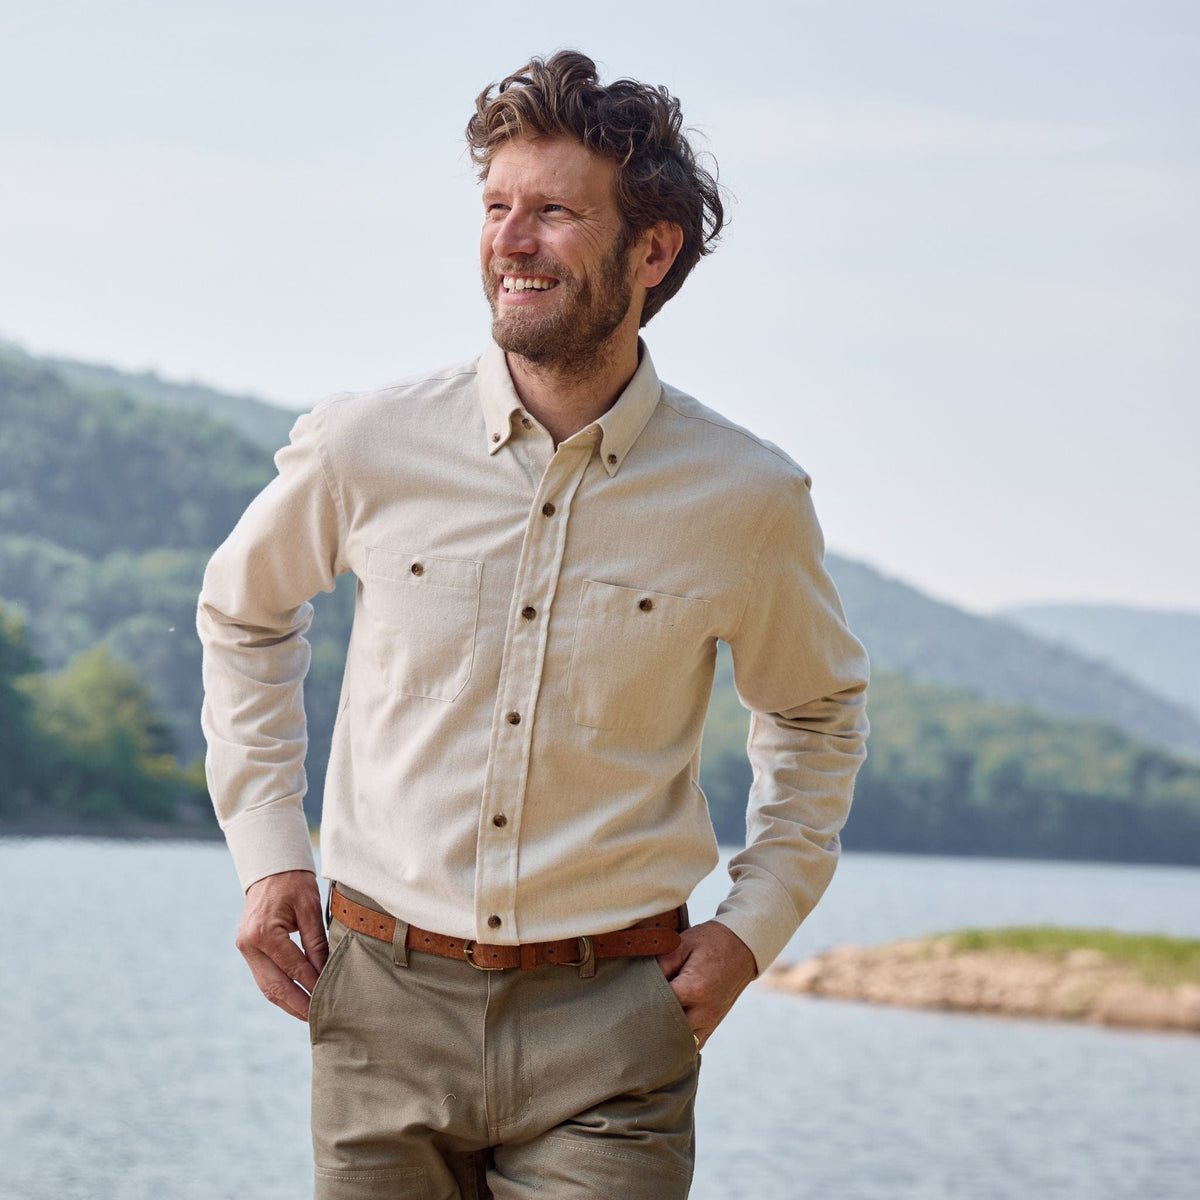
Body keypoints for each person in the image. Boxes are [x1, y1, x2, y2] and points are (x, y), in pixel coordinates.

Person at [198, 50, 869, 1200]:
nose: (511, 241)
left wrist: (754, 926)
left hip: (614, 1025)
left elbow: (815, 713)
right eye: (498, 208)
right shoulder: (365, 445)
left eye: (553, 212)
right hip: (379, 1009)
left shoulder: (747, 500)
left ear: (650, 252)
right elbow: (243, 614)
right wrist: (269, 853)